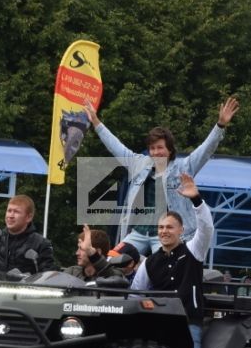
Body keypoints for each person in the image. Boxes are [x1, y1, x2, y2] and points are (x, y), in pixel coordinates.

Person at [83, 96, 238, 255]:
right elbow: (116, 147)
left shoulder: (183, 167)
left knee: (164, 268)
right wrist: (96, 122)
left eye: (160, 148)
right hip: (138, 233)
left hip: (165, 236)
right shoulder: (140, 164)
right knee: (114, 259)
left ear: (170, 149)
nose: (156, 152)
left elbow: (206, 150)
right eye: (152, 148)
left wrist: (220, 125)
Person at [130, 172, 213, 348]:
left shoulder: (194, 250)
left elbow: (207, 228)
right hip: (158, 327)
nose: (164, 231)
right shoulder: (149, 263)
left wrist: (196, 198)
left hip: (189, 325)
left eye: (169, 227)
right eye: (160, 227)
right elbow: (134, 295)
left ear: (181, 230)